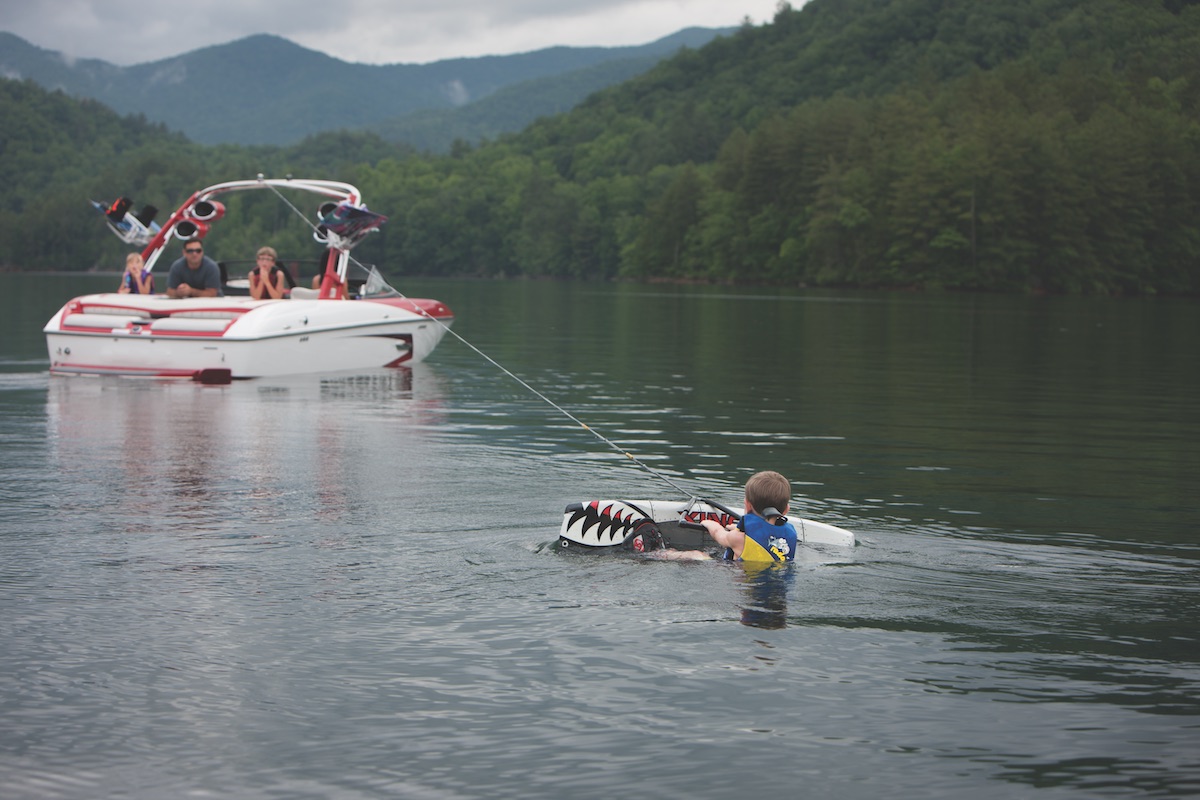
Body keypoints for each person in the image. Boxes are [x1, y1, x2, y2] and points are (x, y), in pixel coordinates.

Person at [701, 470, 798, 562]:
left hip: (739, 575)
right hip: (776, 577)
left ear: (748, 505)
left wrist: (709, 523)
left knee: (696, 554)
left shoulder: (738, 538)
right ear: (786, 510)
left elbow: (719, 534)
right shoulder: (788, 535)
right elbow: (764, 537)